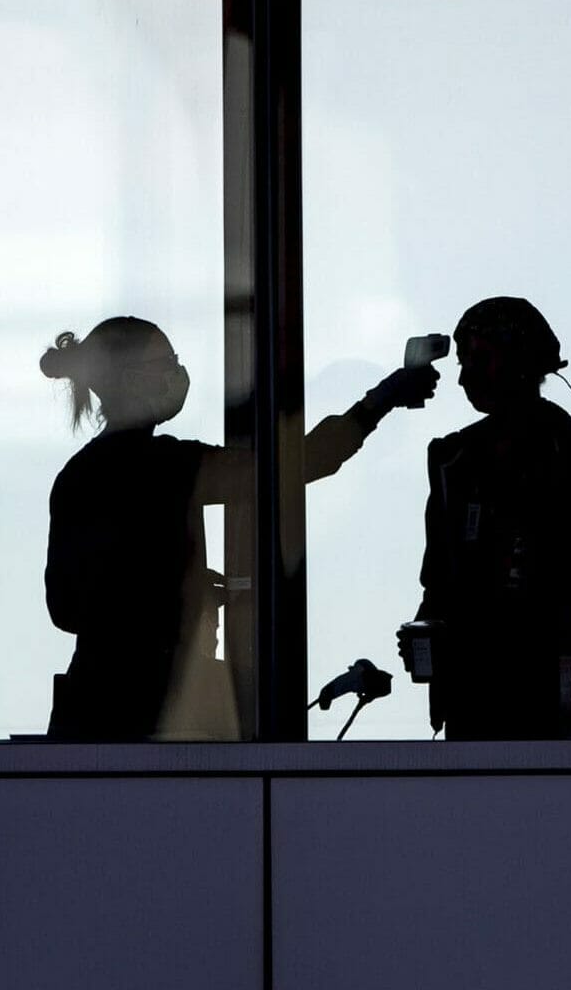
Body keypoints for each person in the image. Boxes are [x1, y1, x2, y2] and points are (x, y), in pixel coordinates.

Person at [40, 316, 436, 741]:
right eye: (167, 363)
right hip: (150, 708)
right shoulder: (169, 467)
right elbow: (307, 462)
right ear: (135, 379)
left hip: (92, 706)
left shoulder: (77, 475)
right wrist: (382, 399)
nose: (178, 373)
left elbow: (67, 606)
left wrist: (171, 588)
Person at [410, 297, 571, 739]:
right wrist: (430, 634)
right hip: (483, 712)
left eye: (479, 359)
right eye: (464, 362)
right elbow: (439, 586)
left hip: (570, 716)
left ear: (520, 361)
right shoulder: (454, 464)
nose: (463, 377)